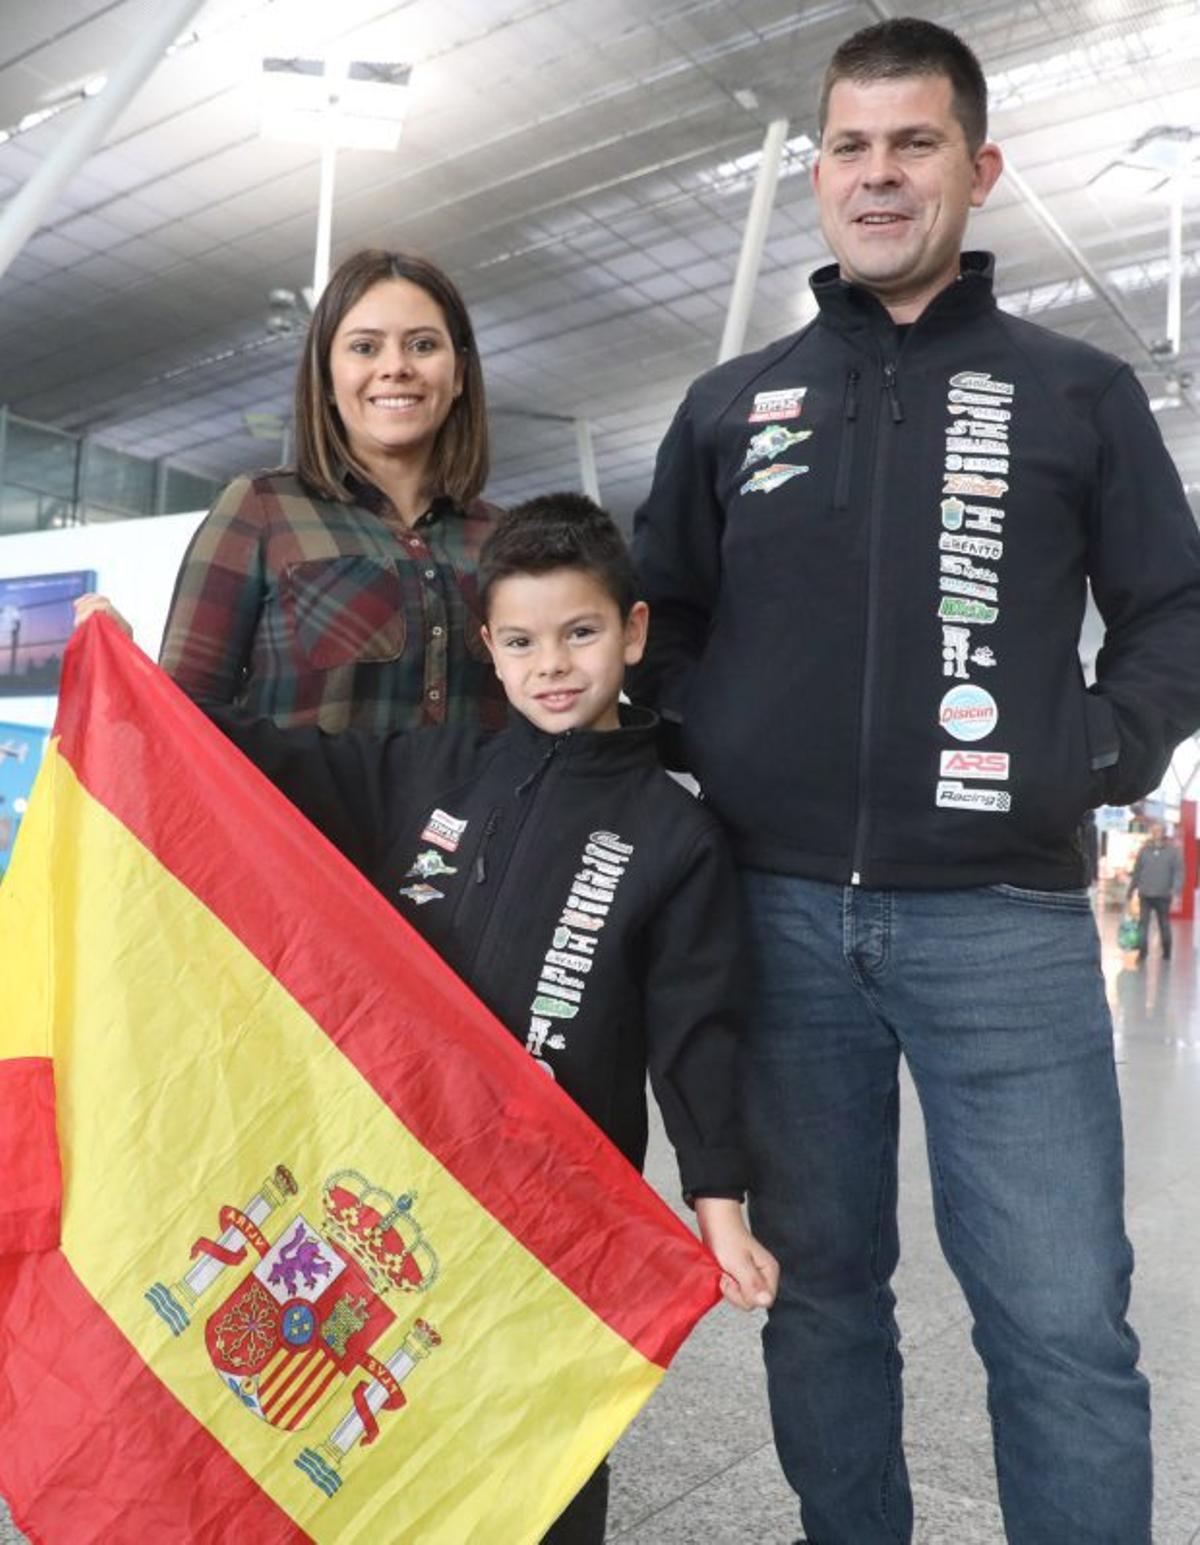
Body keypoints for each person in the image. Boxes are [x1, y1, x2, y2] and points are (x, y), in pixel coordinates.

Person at [631, 17, 1200, 1544]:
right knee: (820, 1303)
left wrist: (1096, 745)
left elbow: (1175, 608)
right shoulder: (732, 403)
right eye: (852, 147)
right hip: (774, 919)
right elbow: (656, 613)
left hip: (1002, 924)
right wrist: (713, 731)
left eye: (915, 143)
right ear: (819, 172)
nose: (878, 175)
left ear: (980, 164)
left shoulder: (1078, 395)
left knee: (1064, 1323)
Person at [77, 493, 779, 1545]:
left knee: (538, 1436)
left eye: (581, 633)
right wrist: (132, 685)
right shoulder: (430, 768)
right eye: (525, 640)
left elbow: (698, 1027)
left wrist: (717, 1199)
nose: (554, 664)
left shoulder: (674, 834)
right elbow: (272, 761)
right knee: (381, 1424)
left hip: (552, 1208)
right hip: (391, 1175)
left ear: (631, 632)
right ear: (490, 648)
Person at [159, 248, 506, 734]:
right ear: (326, 376)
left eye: (423, 345)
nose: (396, 367)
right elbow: (180, 720)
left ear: (460, 374)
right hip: (294, 813)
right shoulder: (261, 509)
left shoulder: (505, 539)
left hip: (485, 812)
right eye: (365, 347)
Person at [1129, 821, 1184, 961]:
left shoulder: (1173, 851)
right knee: (1143, 924)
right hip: (1145, 893)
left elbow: (1179, 872)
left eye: (1158, 830)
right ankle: (1142, 952)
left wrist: (1176, 890)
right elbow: (1137, 871)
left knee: (1164, 924)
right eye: (1154, 830)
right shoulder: (1144, 850)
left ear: (1163, 832)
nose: (1156, 833)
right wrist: (1131, 889)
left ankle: (1167, 952)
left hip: (1163, 894)